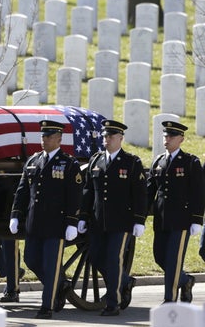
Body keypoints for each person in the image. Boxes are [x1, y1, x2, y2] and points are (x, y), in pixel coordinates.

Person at [9, 120, 81, 319]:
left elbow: (74, 196)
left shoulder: (69, 164)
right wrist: (15, 215)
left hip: (56, 225)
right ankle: (60, 284)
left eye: (48, 136)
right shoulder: (33, 161)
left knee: (51, 266)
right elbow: (22, 192)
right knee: (30, 259)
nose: (44, 139)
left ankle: (46, 307)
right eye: (43, 136)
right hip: (35, 223)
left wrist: (72, 222)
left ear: (59, 139)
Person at [78, 120, 146, 316]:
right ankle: (125, 281)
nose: (106, 139)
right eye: (105, 136)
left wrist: (139, 220)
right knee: (97, 258)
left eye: (111, 136)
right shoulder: (96, 161)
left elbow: (140, 194)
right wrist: (82, 216)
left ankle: (112, 303)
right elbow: (88, 190)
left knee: (113, 259)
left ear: (120, 139)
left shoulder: (132, 162)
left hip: (121, 222)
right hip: (98, 221)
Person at [147, 121, 204, 303]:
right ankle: (185, 280)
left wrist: (197, 219)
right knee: (159, 257)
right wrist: (138, 217)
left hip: (182, 220)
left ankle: (169, 300)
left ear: (181, 139)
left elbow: (198, 192)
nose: (167, 139)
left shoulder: (190, 162)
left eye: (171, 136)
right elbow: (149, 191)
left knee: (172, 260)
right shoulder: (158, 161)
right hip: (162, 219)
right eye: (165, 135)